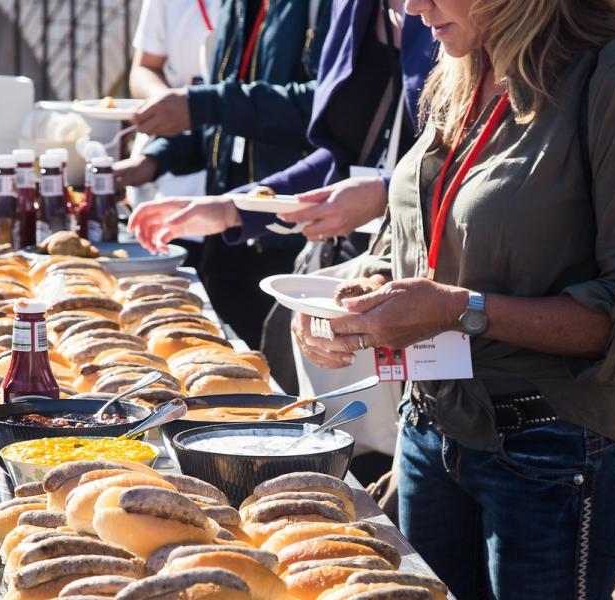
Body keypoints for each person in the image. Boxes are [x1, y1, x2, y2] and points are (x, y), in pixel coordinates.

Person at [294, 0, 615, 598]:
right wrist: (355, 299)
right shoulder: (464, 63)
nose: (409, 6)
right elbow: (426, 233)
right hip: (427, 433)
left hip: (548, 458)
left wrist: (457, 309)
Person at [127, 0, 436, 485]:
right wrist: (235, 207)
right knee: (347, 475)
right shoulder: (353, 10)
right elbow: (338, 156)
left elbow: (465, 161)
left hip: (436, 296)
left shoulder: (452, 20)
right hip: (354, 275)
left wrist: (381, 195)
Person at [116, 0, 331, 349]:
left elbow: (323, 108)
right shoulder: (236, 7)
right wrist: (152, 162)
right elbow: (224, 126)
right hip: (227, 237)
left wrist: (202, 104)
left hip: (288, 242)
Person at [127, 0, 222, 265]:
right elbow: (144, 67)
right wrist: (169, 105)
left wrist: (193, 107)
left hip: (241, 180)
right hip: (172, 173)